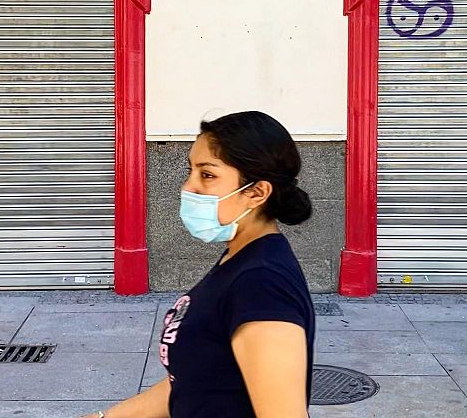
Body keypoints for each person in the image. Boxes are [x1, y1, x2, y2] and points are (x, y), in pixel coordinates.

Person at [83, 110, 315, 418]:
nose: (188, 187)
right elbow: (193, 382)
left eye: (207, 175)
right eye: (190, 171)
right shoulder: (239, 258)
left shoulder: (263, 284)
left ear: (256, 193)